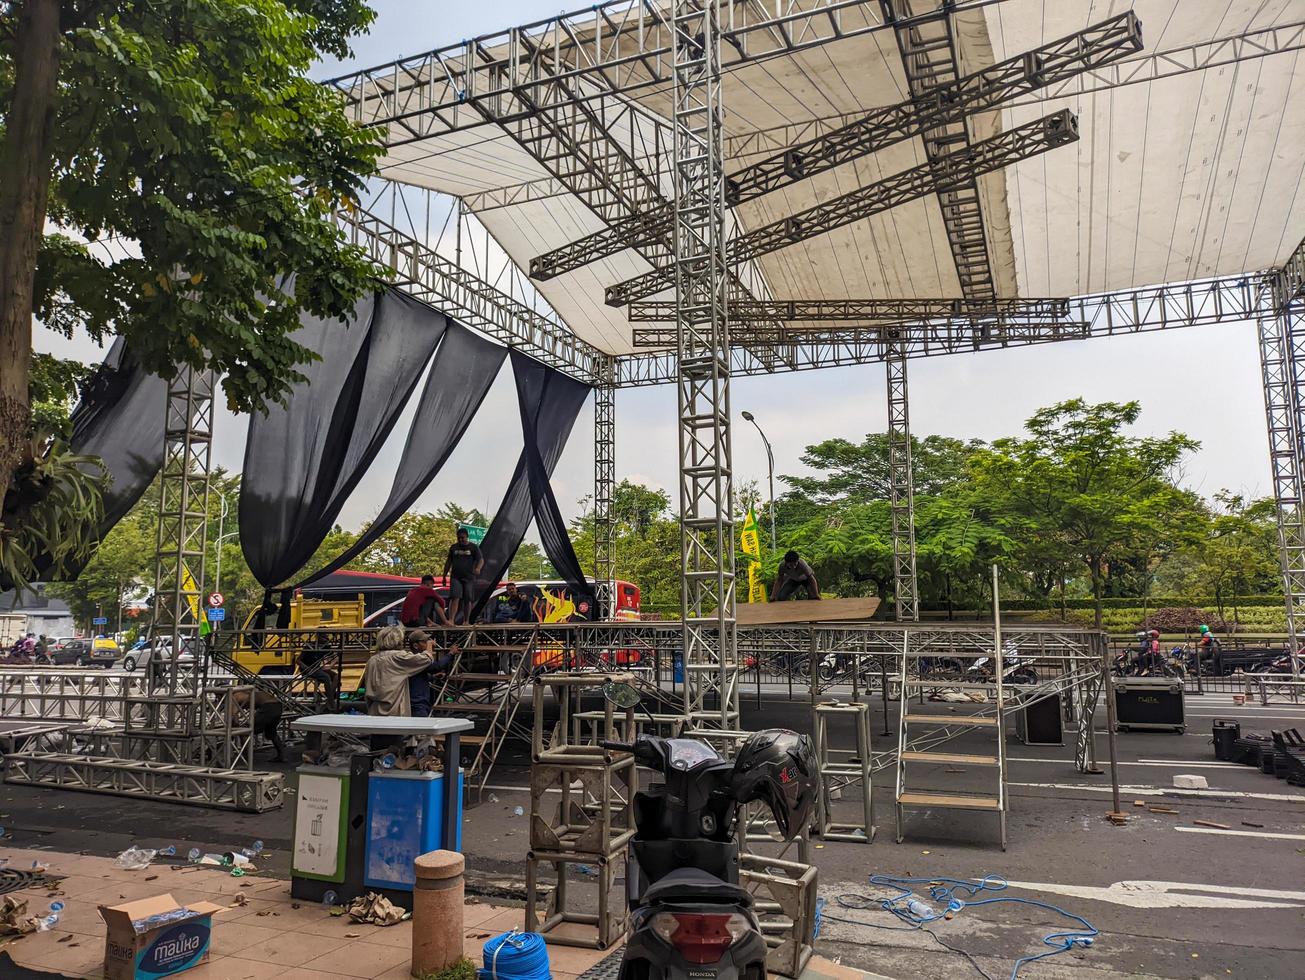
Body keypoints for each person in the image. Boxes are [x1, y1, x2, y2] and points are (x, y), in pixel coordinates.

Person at [363, 625, 436, 717]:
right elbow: (426, 659)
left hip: (375, 710)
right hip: (395, 710)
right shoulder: (397, 657)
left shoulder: (372, 660)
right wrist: (429, 645)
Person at [231, 688, 286, 763]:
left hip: (268, 706)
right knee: (271, 732)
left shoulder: (234, 696)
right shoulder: (243, 692)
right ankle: (281, 756)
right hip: (277, 706)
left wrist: (233, 731)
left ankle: (247, 760)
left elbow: (234, 716)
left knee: (244, 732)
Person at [443, 528, 484, 625]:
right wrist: (444, 575)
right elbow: (448, 562)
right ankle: (451, 619)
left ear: (467, 537)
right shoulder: (453, 547)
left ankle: (466, 621)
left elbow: (481, 559)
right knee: (455, 597)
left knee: (467, 599)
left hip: (469, 577)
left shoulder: (473, 547)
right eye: (459, 538)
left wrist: (478, 568)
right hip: (456, 577)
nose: (461, 540)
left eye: (462, 538)